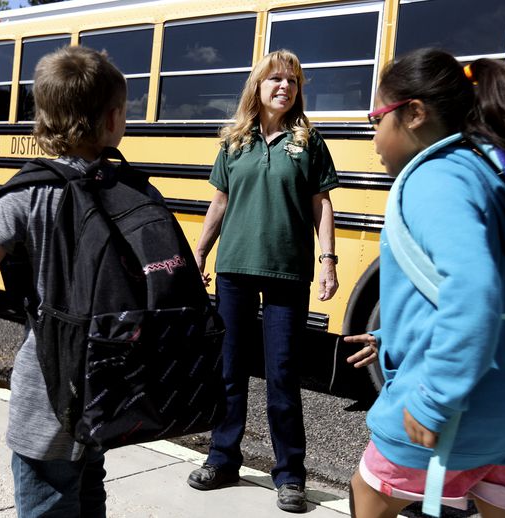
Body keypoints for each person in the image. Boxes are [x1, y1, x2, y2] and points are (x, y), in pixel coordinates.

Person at [344, 48, 505, 518]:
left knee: (368, 494)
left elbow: (473, 289)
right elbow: (500, 289)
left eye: (376, 117)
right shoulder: (492, 171)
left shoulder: (434, 178)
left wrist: (433, 400)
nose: (374, 135)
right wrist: (391, 338)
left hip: (465, 405)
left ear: (415, 114)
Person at [0, 46, 131, 517]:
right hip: (105, 381)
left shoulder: (27, 194)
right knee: (90, 491)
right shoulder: (126, 190)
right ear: (113, 120)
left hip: (48, 385)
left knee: (46, 499)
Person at [186, 49, 339, 514]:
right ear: (258, 86)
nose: (284, 87)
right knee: (229, 371)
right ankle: (223, 459)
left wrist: (328, 259)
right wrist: (199, 251)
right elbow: (220, 203)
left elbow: (322, 205)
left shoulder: (309, 141)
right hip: (234, 269)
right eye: (275, 79)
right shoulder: (234, 141)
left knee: (283, 376)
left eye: (292, 81)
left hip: (287, 272)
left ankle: (290, 475)